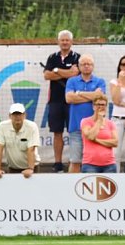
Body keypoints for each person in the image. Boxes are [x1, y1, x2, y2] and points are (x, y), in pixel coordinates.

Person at [43, 30, 81, 173]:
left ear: (71, 42)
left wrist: (57, 70)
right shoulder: (52, 57)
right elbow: (47, 75)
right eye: (62, 40)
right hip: (55, 100)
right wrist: (65, 72)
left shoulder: (77, 57)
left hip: (72, 100)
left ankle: (74, 161)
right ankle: (58, 163)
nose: (65, 42)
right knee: (57, 132)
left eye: (67, 40)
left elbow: (74, 74)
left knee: (74, 132)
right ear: (58, 42)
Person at [65, 54, 106, 173]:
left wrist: (78, 93)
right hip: (76, 127)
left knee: (94, 161)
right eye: (83, 64)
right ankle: (72, 187)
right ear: (79, 66)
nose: (86, 66)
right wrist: (91, 95)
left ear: (93, 66)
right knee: (75, 161)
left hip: (95, 127)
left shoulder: (100, 81)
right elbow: (69, 99)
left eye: (89, 64)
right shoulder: (71, 81)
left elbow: (99, 97)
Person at [0, 103, 40, 178]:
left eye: (20, 114)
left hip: (32, 168)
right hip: (12, 168)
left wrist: (30, 168)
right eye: (14, 114)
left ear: (24, 115)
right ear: (10, 116)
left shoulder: (32, 126)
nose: (17, 117)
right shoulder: (2, 126)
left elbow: (31, 149)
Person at [81, 95, 118, 173]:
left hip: (109, 164)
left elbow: (115, 142)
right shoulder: (85, 121)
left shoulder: (110, 123)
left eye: (103, 105)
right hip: (90, 164)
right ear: (93, 106)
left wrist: (97, 140)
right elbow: (91, 136)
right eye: (98, 104)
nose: (101, 107)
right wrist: (99, 120)